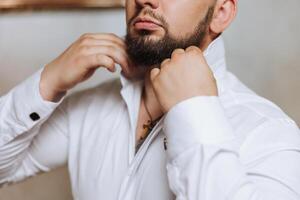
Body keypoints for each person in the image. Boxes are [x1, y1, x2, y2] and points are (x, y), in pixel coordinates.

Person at [0, 0, 300, 199]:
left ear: (220, 13)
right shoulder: (91, 107)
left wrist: (193, 113)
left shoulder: (270, 133)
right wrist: (47, 82)